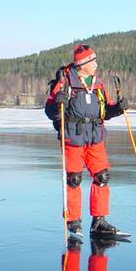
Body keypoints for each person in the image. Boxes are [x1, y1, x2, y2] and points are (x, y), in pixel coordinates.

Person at [45, 44, 129, 238]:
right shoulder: (65, 82)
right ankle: (73, 221)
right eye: (93, 61)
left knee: (102, 176)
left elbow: (105, 111)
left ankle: (98, 221)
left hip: (95, 137)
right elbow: (50, 111)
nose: (96, 64)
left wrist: (118, 109)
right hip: (73, 137)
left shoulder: (97, 84)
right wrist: (58, 102)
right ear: (83, 64)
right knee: (74, 179)